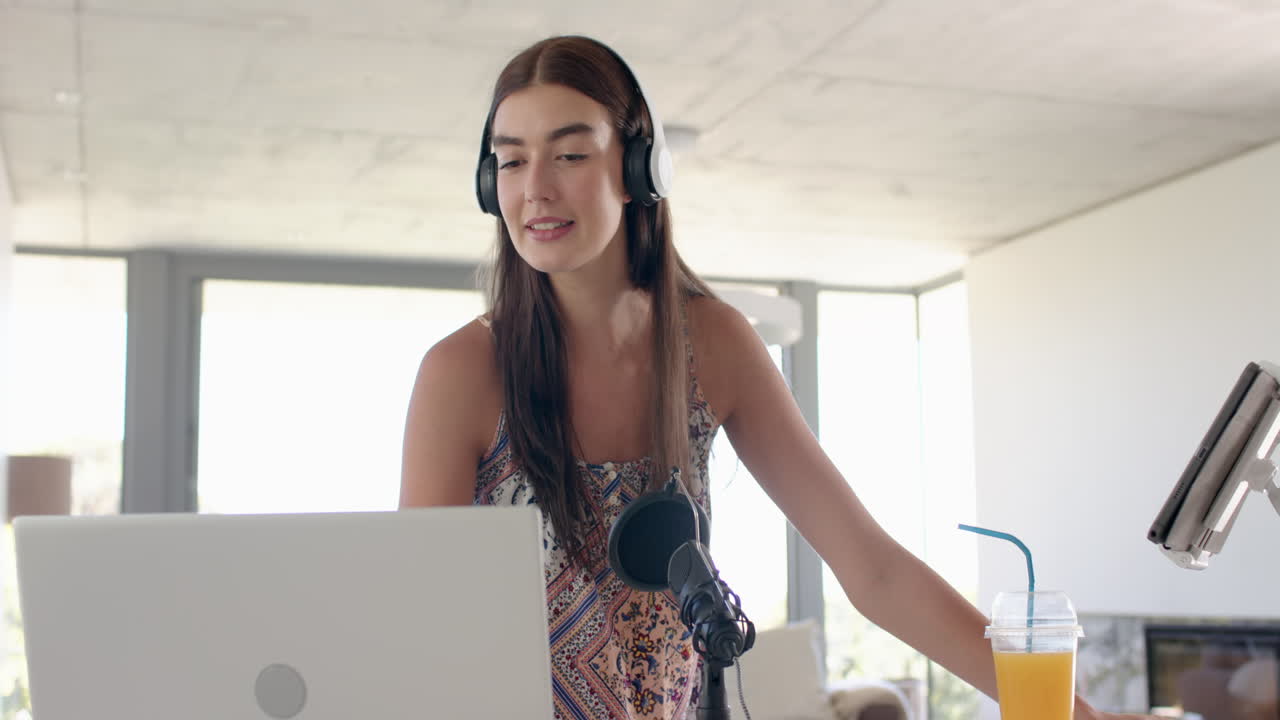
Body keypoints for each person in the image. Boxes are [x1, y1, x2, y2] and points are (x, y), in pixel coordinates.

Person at [400, 34, 1153, 720]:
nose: (535, 188)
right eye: (511, 159)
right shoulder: (463, 371)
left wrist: (1074, 714)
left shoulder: (711, 344)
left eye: (568, 155)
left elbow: (874, 569)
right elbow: (418, 628)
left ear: (637, 171)